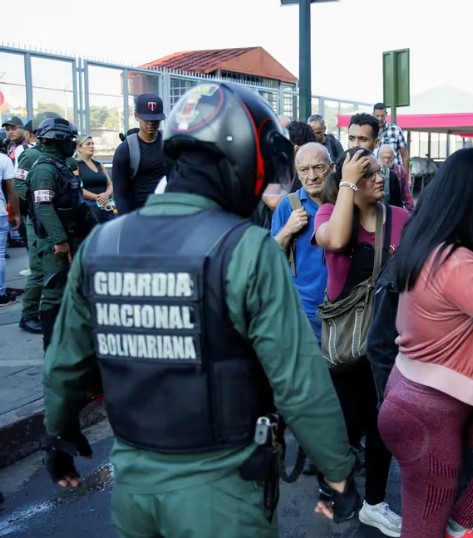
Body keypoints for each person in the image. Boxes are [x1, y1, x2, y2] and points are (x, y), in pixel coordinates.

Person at [41, 81, 361, 538]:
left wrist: (58, 434)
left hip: (132, 488)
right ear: (241, 159)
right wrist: (337, 472)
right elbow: (299, 382)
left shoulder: (102, 243)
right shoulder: (247, 249)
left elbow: (65, 361)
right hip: (221, 493)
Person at [377, 148, 473, 538]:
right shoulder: (456, 260)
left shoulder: (428, 244)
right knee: (421, 531)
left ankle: (457, 524)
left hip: (419, 401)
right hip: (428, 416)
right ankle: (453, 526)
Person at [314, 147, 411, 537]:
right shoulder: (330, 215)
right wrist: (348, 185)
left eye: (379, 170)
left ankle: (374, 503)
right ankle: (332, 493)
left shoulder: (402, 217)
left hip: (390, 345)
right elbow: (334, 241)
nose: (379, 177)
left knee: (381, 426)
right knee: (345, 430)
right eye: (367, 173)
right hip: (346, 348)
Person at [26, 118, 96, 349]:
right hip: (57, 244)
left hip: (74, 238)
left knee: (72, 289)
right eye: (69, 140)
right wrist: (60, 241)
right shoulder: (45, 170)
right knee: (55, 292)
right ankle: (53, 347)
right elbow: (43, 207)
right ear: (57, 141)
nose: (72, 144)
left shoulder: (61, 166)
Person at [271, 142, 331, 342]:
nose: (312, 176)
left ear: (331, 168)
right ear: (297, 172)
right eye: (304, 170)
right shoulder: (288, 205)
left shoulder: (344, 202)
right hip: (302, 313)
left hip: (342, 311)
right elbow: (270, 261)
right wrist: (287, 230)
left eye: (318, 168)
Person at [12, 112, 61, 334]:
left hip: (54, 218)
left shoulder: (58, 154)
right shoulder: (31, 155)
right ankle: (29, 314)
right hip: (37, 220)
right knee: (39, 268)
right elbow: (19, 183)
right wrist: (35, 203)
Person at [111, 94, 166, 214]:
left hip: (168, 213)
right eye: (146, 119)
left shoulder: (170, 143)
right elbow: (120, 194)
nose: (151, 123)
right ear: (136, 116)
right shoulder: (125, 150)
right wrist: (127, 223)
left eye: (155, 119)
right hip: (139, 214)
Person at [348, 113, 403, 208]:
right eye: (351, 138)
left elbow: (397, 215)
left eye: (363, 139)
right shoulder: (337, 174)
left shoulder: (389, 177)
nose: (356, 144)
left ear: (376, 143)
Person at [75, 135, 115, 223]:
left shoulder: (99, 164)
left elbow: (109, 184)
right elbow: (77, 188)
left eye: (92, 144)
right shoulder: (76, 165)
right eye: (88, 144)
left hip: (106, 207)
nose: (92, 146)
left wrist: (106, 195)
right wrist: (96, 197)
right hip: (89, 208)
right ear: (79, 148)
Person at [372, 103, 411, 186]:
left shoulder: (396, 130)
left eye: (382, 116)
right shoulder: (369, 131)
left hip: (395, 175)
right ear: (373, 114)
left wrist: (406, 178)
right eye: (377, 116)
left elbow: (405, 156)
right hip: (375, 177)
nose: (380, 118)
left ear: (386, 114)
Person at [0, 151, 17, 305]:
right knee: (0, 255)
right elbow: (12, 190)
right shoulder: (3, 159)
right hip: (0, 213)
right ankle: (0, 294)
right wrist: (17, 214)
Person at [378, 144, 414, 212]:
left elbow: (407, 194)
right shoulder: (374, 170)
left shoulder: (400, 170)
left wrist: (411, 212)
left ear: (393, 157)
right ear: (379, 157)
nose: (386, 161)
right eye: (383, 158)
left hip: (396, 207)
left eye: (389, 158)